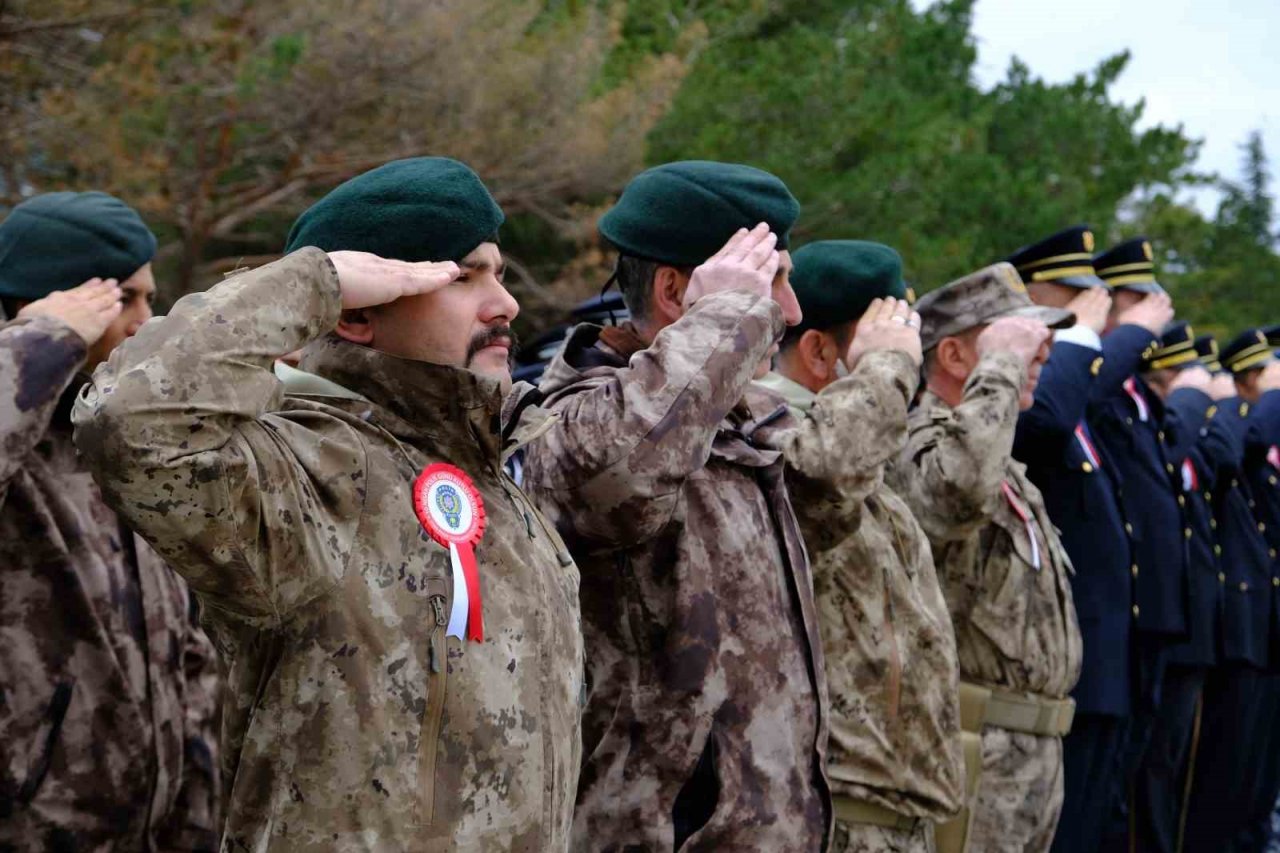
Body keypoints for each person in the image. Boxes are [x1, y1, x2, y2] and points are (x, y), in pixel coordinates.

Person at [74, 157, 584, 850]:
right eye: (464, 277)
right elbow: (127, 419)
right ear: (357, 317)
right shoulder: (308, 473)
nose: (506, 304)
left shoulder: (495, 484)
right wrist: (318, 282)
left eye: (496, 271)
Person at [520, 161, 832, 850]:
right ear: (675, 290)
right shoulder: (578, 422)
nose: (792, 311)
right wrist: (725, 316)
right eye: (769, 282)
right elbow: (624, 466)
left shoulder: (736, 423)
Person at [0, 191, 221, 850]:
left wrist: (198, 817)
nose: (145, 321)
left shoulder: (118, 432)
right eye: (126, 299)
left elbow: (185, 650)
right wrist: (41, 341)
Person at [755, 240, 966, 852]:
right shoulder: (770, 438)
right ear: (820, 349)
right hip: (830, 812)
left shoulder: (862, 451)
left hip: (890, 812)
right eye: (884, 342)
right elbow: (818, 480)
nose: (908, 366)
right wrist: (885, 371)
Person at [886, 262, 1082, 853]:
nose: (1037, 351)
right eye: (1015, 337)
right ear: (953, 356)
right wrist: (997, 370)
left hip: (1032, 754)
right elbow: (953, 498)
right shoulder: (920, 441)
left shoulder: (1006, 466)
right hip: (973, 749)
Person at [1004, 226, 1168, 853]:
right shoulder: (1048, 392)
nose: (1088, 304)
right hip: (1062, 661)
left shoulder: (1078, 392)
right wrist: (1083, 335)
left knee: (1095, 818)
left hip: (1102, 654)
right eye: (1071, 292)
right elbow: (1043, 422)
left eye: (1092, 293)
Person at [1087, 237, 1189, 852]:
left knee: (1125, 782)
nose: (1149, 312)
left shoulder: (1135, 393)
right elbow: (1076, 392)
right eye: (1134, 298)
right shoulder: (1093, 371)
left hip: (1148, 616)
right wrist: (1120, 334)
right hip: (1110, 624)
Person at [1130, 322, 1236, 853]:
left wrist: (1203, 408)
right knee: (1148, 769)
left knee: (1172, 764)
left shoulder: (1180, 435)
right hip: (1154, 623)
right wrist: (1191, 402)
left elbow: (1225, 459)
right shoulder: (1155, 435)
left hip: (1190, 625)